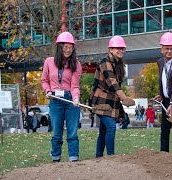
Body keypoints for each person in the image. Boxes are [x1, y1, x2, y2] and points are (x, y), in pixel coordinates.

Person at [90, 35, 135, 158]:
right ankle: (111, 156)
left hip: (111, 101)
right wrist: (123, 97)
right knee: (111, 127)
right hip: (101, 100)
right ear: (110, 49)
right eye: (117, 48)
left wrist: (121, 97)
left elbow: (117, 84)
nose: (121, 50)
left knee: (103, 130)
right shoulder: (105, 62)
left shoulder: (119, 64)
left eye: (122, 48)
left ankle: (98, 157)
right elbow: (112, 81)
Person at [41, 31, 82, 162]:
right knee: (56, 133)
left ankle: (73, 159)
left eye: (70, 47)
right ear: (59, 47)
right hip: (55, 100)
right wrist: (47, 90)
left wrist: (76, 98)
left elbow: (75, 85)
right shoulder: (49, 62)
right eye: (65, 47)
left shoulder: (76, 64)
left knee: (72, 133)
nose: (68, 50)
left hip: (70, 100)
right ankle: (55, 158)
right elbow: (44, 80)